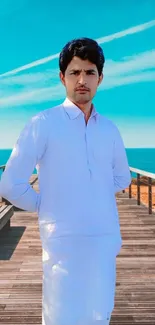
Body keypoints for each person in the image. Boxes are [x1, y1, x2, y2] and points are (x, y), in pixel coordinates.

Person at [0, 38, 131, 325]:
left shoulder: (110, 129)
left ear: (100, 78)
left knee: (100, 315)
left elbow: (123, 176)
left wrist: (90, 191)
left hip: (104, 240)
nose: (82, 80)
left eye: (90, 72)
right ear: (62, 78)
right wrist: (46, 203)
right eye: (74, 72)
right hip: (63, 243)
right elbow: (10, 183)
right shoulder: (43, 123)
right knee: (62, 316)